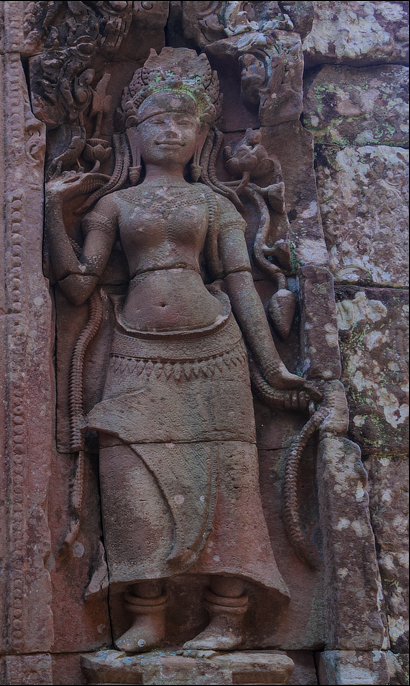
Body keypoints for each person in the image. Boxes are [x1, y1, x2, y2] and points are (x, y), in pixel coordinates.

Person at [46, 48, 315, 651]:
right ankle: (148, 612)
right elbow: (80, 285)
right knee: (127, 473)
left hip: (214, 350)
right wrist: (51, 213)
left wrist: (271, 363)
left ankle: (229, 614)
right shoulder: (114, 204)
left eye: (183, 122)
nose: (169, 130)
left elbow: (243, 283)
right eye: (156, 121)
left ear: (202, 136)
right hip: (136, 350)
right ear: (133, 133)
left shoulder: (214, 204)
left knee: (230, 480)